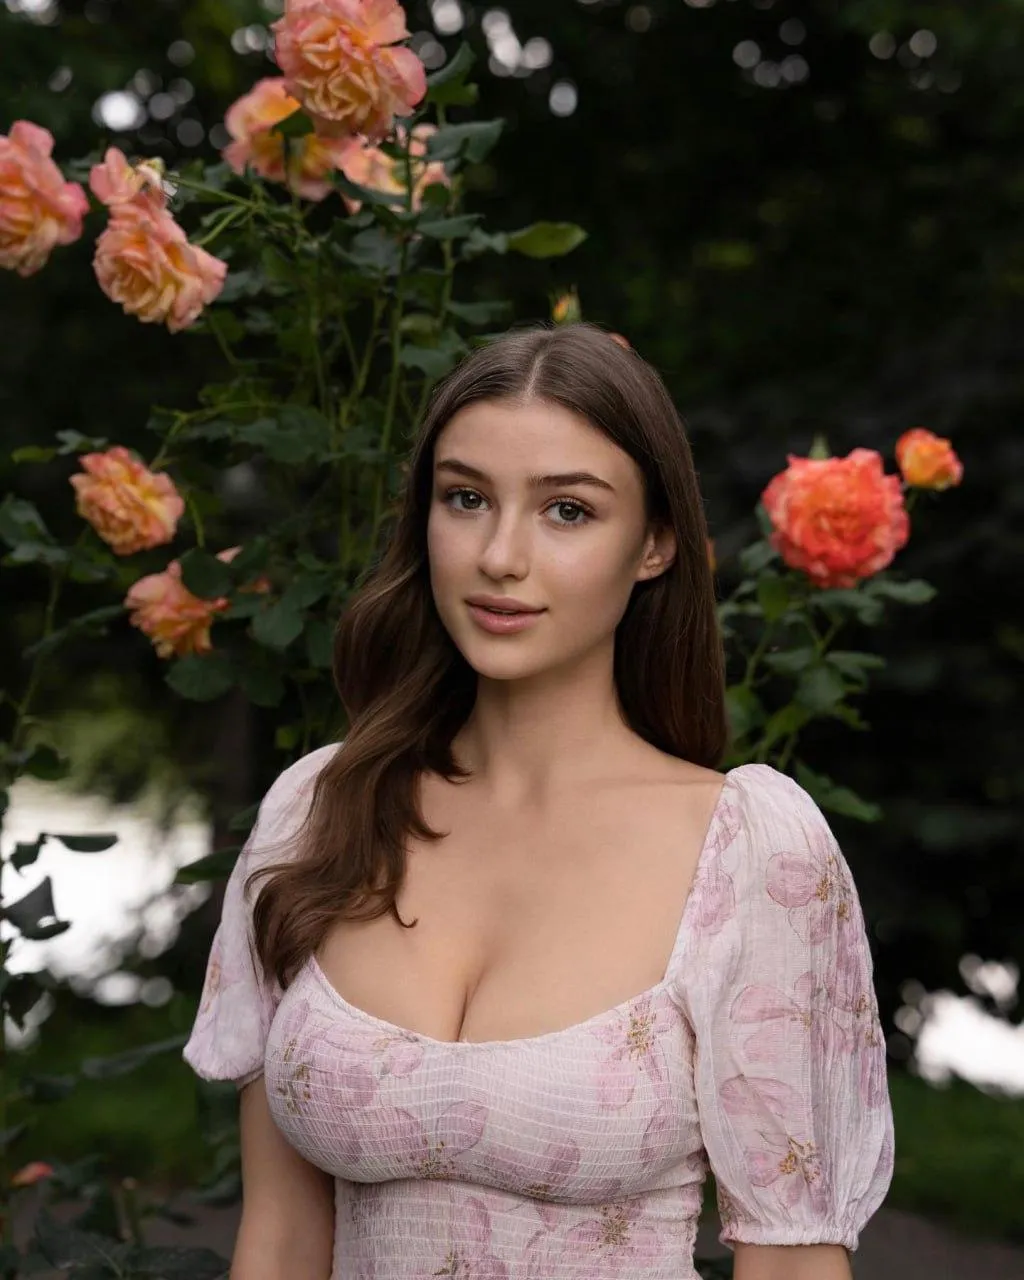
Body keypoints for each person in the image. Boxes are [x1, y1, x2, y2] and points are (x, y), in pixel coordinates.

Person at [183, 323, 894, 1280]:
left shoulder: (746, 849)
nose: (501, 556)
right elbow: (276, 1243)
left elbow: (794, 1265)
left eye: (567, 511)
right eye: (466, 498)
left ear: (654, 545)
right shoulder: (319, 809)